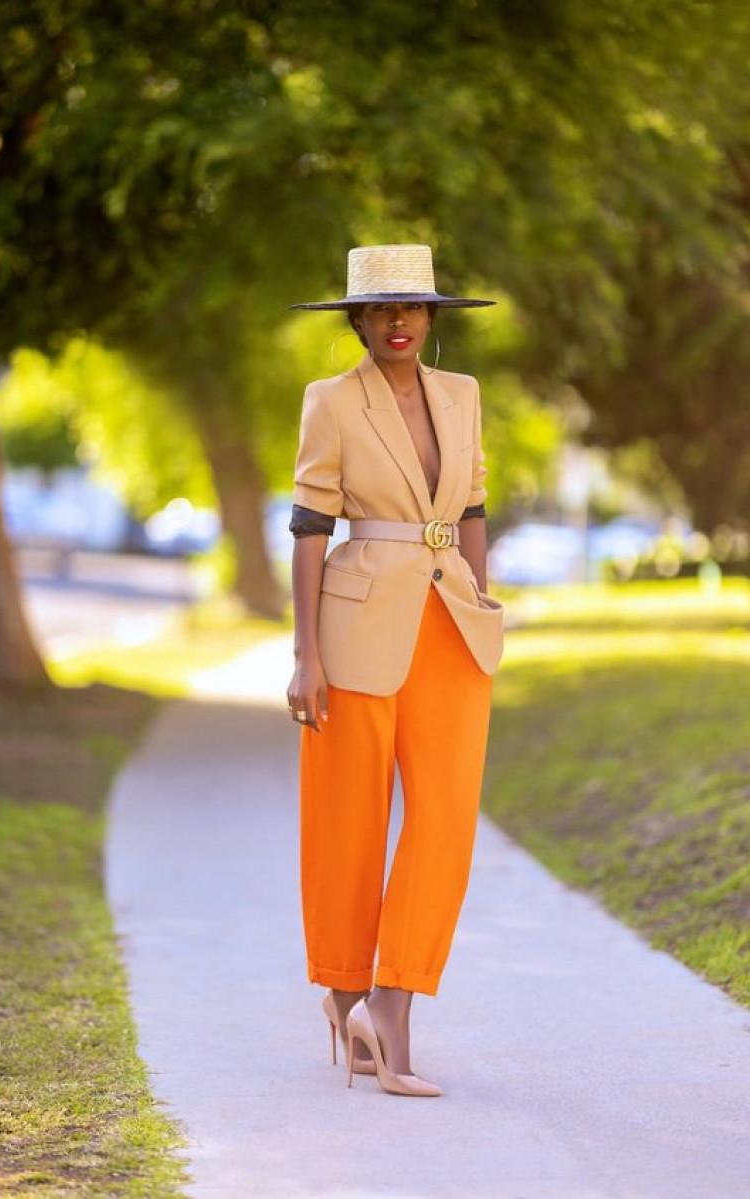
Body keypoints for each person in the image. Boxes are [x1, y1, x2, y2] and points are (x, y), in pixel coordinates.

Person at [286, 243, 505, 1097]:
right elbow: (309, 527)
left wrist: (482, 600)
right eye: (381, 311)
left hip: (451, 623)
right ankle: (347, 991)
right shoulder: (330, 403)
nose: (398, 323)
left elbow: (475, 503)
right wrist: (305, 655)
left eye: (412, 309)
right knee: (348, 815)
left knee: (445, 819)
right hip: (354, 627)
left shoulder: (464, 397)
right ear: (359, 320)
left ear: (433, 317)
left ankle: (394, 997)